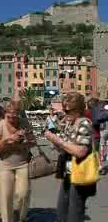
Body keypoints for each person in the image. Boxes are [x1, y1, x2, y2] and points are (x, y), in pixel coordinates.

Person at [45, 92, 95, 222]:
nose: (65, 114)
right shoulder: (69, 123)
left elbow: (81, 151)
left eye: (67, 111)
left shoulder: (84, 123)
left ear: (78, 109)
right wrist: (54, 140)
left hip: (80, 173)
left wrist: (58, 141)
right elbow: (63, 147)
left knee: (74, 212)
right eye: (64, 110)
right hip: (68, 171)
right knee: (62, 209)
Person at [0, 100, 36, 222]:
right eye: (9, 116)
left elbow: (33, 142)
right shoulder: (0, 125)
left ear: (19, 113)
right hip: (5, 165)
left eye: (15, 116)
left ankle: (21, 217)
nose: (12, 119)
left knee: (23, 193)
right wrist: (8, 139)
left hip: (22, 164)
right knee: (6, 196)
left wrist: (27, 138)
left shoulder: (24, 123)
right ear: (5, 114)